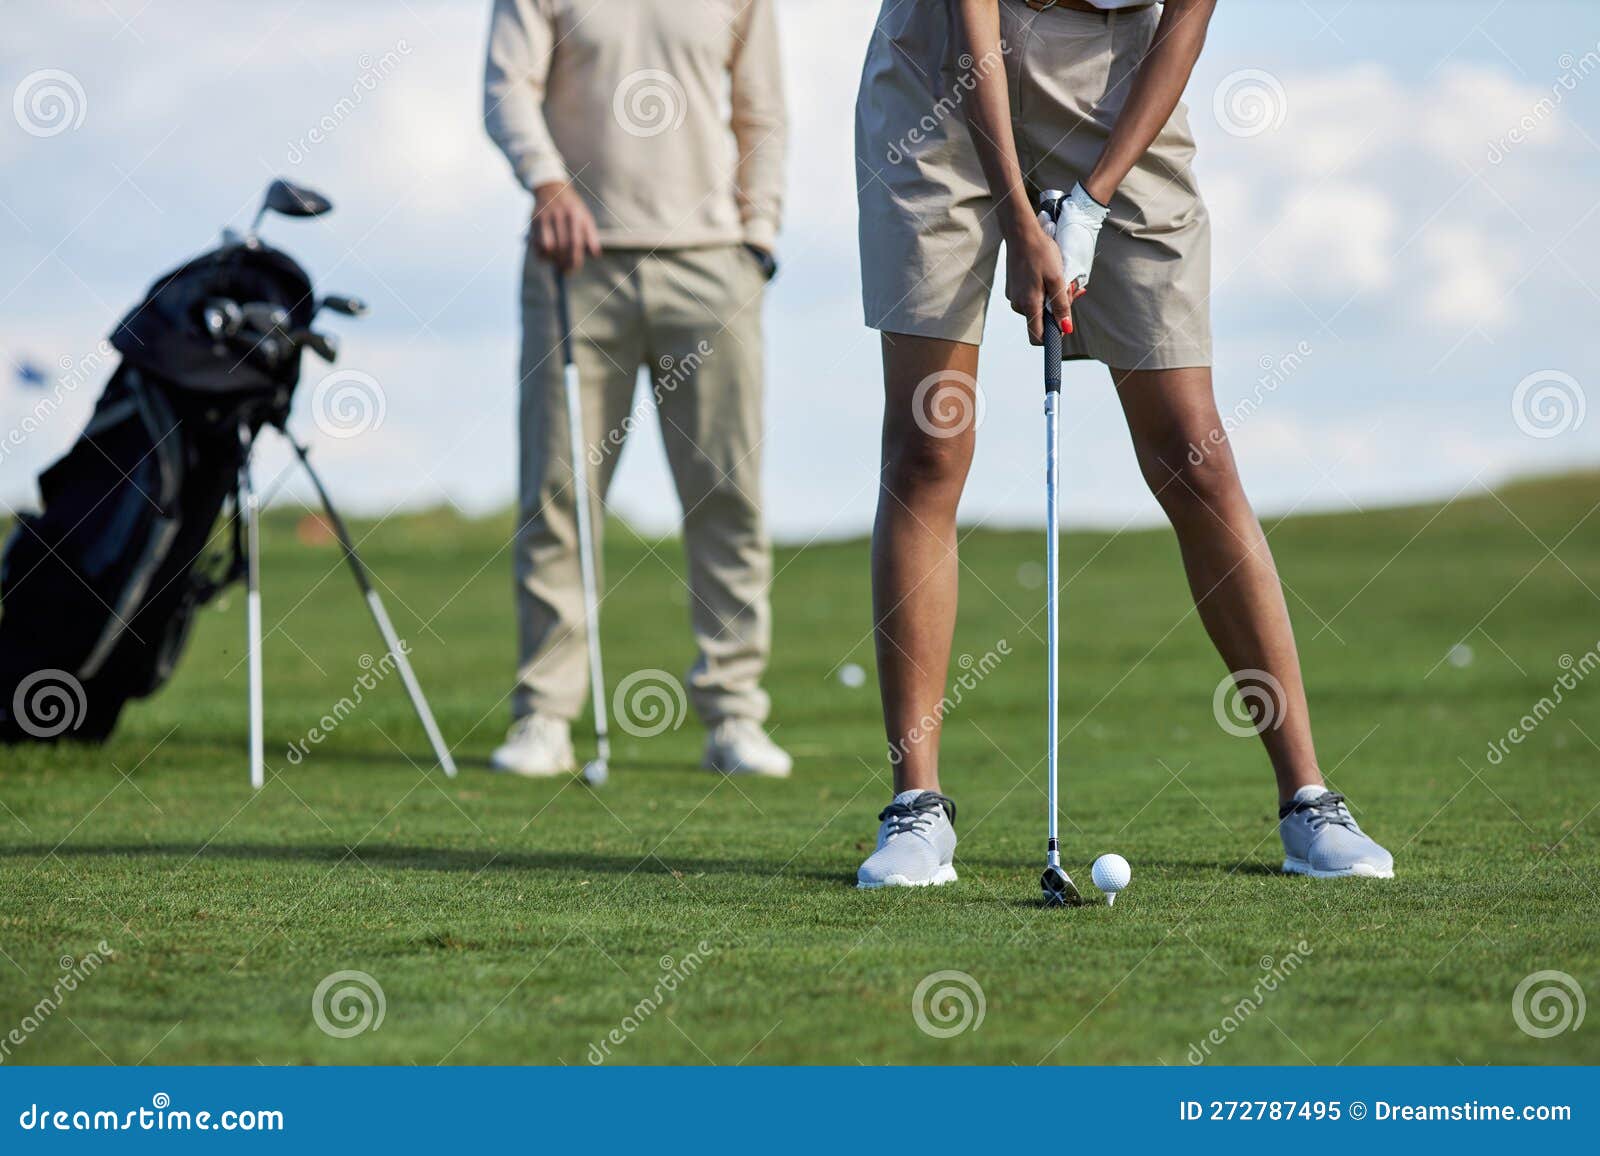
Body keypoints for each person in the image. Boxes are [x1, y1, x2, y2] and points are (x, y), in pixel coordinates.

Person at [851, 0, 1393, 886]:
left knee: (1193, 451)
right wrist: (1022, 220)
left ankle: (1309, 801)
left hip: (1118, 80)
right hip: (944, 77)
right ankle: (917, 808)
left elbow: (1186, 21)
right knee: (928, 441)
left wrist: (1093, 200)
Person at [482, 0, 792, 778]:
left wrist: (758, 237)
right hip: (573, 264)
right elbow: (506, 87)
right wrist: (548, 183)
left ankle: (734, 715)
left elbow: (764, 114)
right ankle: (544, 718)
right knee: (557, 492)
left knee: (728, 491)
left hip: (713, 263)